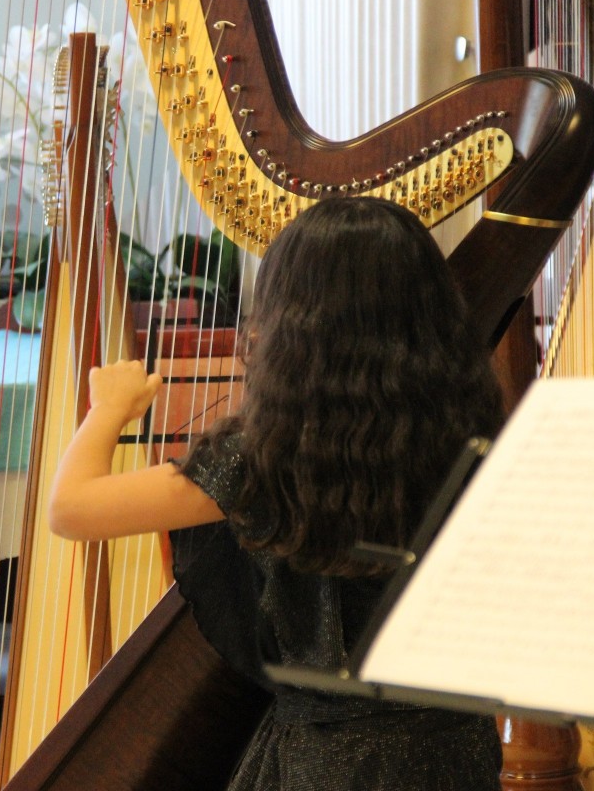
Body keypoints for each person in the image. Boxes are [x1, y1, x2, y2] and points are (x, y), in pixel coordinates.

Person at [49, 196, 506, 790]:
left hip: (330, 766)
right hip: (455, 754)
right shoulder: (469, 436)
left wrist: (109, 409)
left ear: (292, 324)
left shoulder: (261, 459)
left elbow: (69, 507)